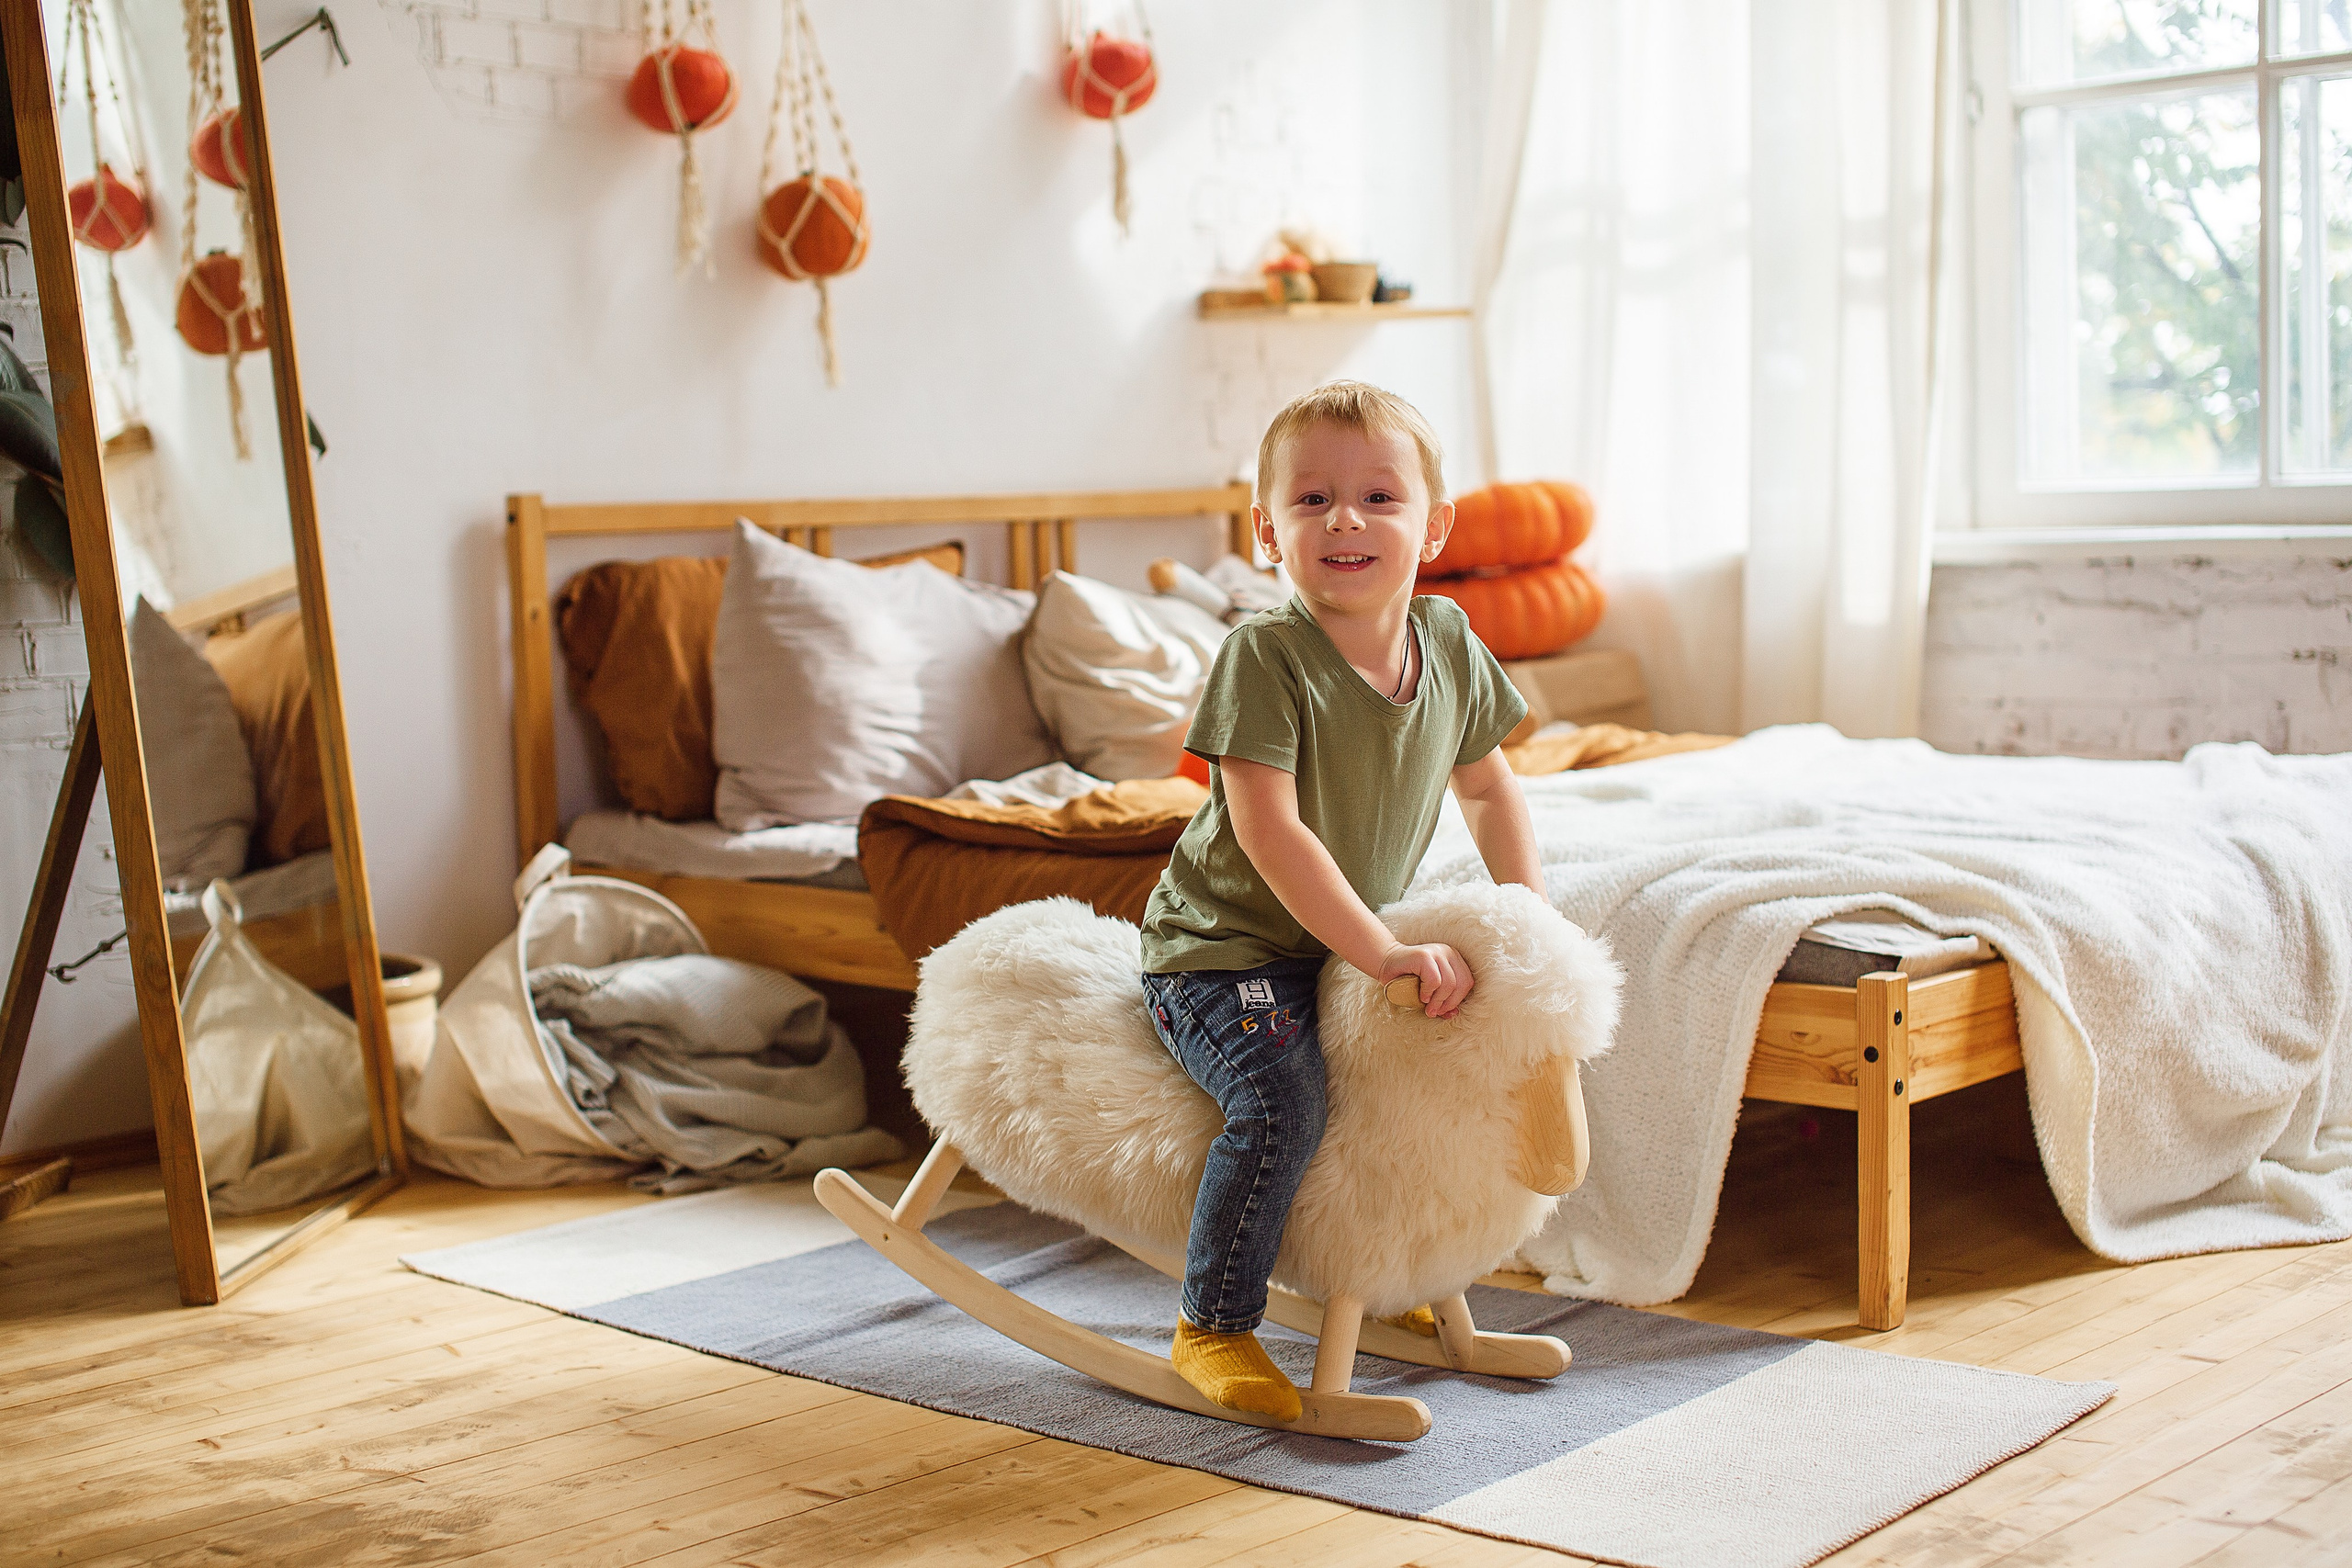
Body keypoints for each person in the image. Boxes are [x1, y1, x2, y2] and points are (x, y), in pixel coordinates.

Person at [1139, 380, 1545, 1420]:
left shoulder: (1448, 641)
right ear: (1268, 532)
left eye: (1377, 495)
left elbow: (1492, 788)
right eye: (1311, 501)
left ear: (1434, 525)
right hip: (1224, 955)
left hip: (1337, 950)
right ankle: (1213, 1323)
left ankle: (1396, 1278)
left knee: (1404, 1094)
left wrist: (1525, 919)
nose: (1345, 519)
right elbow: (1272, 834)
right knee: (1286, 1101)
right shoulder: (1264, 658)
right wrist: (1379, 952)